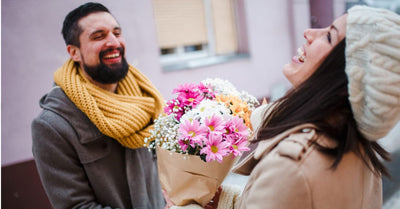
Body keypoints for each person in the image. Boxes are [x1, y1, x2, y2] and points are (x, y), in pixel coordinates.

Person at [167, 5, 400, 209]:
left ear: (348, 79)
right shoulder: (362, 152)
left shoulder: (291, 166)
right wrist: (230, 201)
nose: (309, 33)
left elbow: (297, 187)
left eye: (329, 36)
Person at [31, 2, 166, 209]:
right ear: (74, 52)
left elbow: (163, 172)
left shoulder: (144, 100)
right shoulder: (52, 126)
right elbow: (76, 206)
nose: (114, 42)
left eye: (117, 33)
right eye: (99, 36)